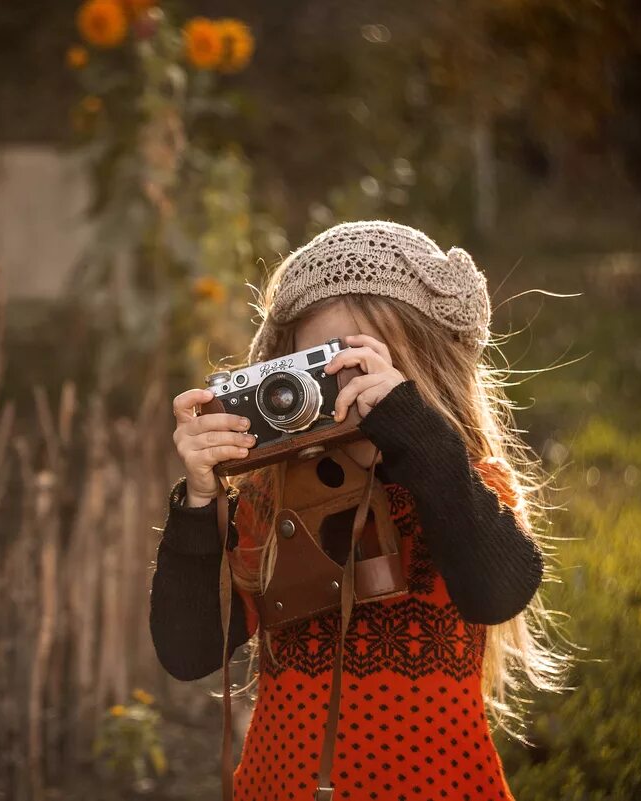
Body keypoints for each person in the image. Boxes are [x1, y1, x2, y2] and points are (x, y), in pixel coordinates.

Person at [151, 221, 571, 800]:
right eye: (315, 367)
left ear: (419, 366)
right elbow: (188, 650)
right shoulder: (270, 498)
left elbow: (497, 592)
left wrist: (412, 433)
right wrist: (200, 502)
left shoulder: (461, 482)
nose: (341, 385)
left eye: (358, 363)